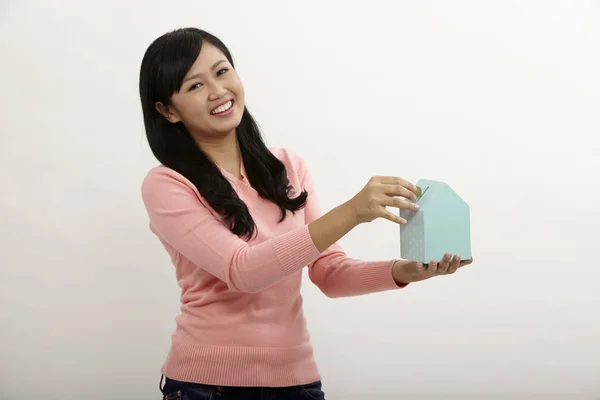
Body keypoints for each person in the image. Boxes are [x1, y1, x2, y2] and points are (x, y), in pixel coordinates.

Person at [138, 27, 473, 400]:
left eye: (222, 72)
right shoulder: (167, 185)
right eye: (194, 86)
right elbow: (243, 271)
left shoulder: (287, 166)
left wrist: (404, 271)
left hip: (296, 381)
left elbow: (329, 272)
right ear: (168, 110)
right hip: (206, 386)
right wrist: (352, 211)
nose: (218, 91)